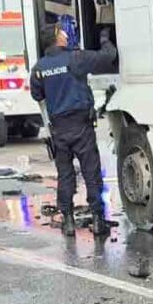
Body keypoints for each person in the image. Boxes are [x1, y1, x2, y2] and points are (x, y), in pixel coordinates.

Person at [29, 24, 118, 236]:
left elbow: (37, 95)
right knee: (91, 173)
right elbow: (108, 56)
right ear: (57, 38)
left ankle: (68, 221)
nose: (65, 34)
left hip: (59, 129)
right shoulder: (75, 58)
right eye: (62, 32)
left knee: (65, 175)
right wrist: (104, 36)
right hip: (81, 125)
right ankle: (98, 220)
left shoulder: (39, 68)